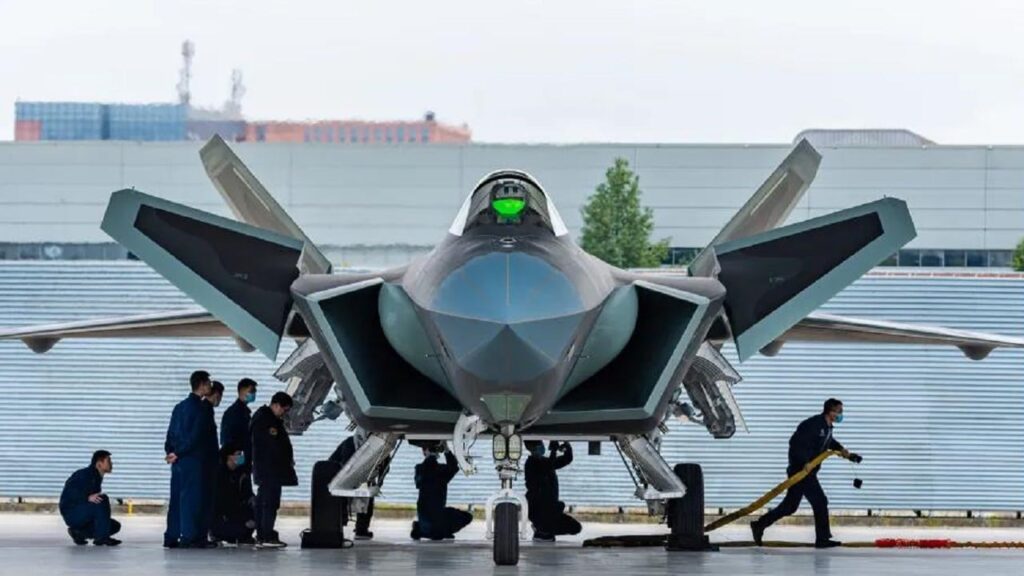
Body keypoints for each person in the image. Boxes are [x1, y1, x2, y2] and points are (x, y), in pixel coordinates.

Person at [750, 398, 862, 549]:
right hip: (801, 471)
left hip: (808, 471)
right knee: (820, 501)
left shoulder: (827, 427)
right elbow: (795, 443)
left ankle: (759, 525)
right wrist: (805, 463)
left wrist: (843, 451)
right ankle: (822, 539)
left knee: (790, 506)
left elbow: (828, 441)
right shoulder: (813, 424)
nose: (842, 414)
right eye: (840, 411)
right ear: (831, 411)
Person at [164, 370, 219, 549]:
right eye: (209, 383)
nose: (210, 387)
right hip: (194, 460)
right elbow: (196, 437)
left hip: (177, 462)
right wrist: (179, 452)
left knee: (176, 499)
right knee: (192, 500)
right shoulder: (202, 409)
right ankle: (190, 537)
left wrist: (171, 452)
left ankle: (171, 536)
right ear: (202, 385)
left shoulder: (179, 407)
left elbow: (170, 433)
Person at [251, 391, 297, 549]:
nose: (284, 413)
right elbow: (271, 447)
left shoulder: (272, 419)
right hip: (269, 470)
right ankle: (265, 535)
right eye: (284, 409)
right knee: (267, 503)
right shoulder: (265, 420)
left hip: (272, 471)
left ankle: (265, 533)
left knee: (268, 502)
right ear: (276, 405)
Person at [410, 442, 472, 541]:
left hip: (425, 520)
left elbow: (421, 479)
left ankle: (426, 530)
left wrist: (430, 456)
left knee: (431, 522)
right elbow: (454, 467)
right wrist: (446, 450)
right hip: (437, 519)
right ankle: (442, 531)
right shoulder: (442, 471)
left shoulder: (420, 469)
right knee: (467, 516)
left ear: (424, 451)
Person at [59, 450, 121, 546]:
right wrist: (86, 498)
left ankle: (79, 533)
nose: (111, 464)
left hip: (84, 512)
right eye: (108, 461)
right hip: (72, 513)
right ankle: (102, 538)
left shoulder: (96, 477)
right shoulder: (84, 474)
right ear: (99, 464)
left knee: (114, 526)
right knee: (102, 500)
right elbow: (69, 494)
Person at [524, 441, 581, 542]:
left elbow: (565, 460)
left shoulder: (544, 461)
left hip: (548, 511)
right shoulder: (532, 464)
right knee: (571, 526)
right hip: (539, 511)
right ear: (533, 448)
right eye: (540, 445)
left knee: (576, 527)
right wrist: (554, 451)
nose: (543, 447)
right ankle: (542, 530)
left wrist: (567, 447)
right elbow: (549, 465)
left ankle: (543, 529)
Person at [328, 432, 375, 540]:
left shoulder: (349, 441)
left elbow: (332, 460)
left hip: (345, 477)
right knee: (366, 501)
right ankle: (361, 530)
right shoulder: (377, 445)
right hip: (363, 478)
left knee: (342, 501)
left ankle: (339, 525)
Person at [210, 445, 256, 545]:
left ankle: (243, 534)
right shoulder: (219, 474)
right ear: (228, 457)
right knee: (237, 529)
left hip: (238, 512)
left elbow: (247, 494)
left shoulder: (242, 474)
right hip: (223, 515)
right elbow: (222, 501)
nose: (241, 457)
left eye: (241, 454)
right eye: (238, 454)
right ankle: (218, 533)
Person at [222, 379, 257, 466]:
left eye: (254, 391)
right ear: (241, 391)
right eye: (251, 391)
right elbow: (228, 438)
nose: (254, 394)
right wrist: (234, 458)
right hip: (236, 458)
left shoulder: (244, 411)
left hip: (243, 457)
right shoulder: (233, 412)